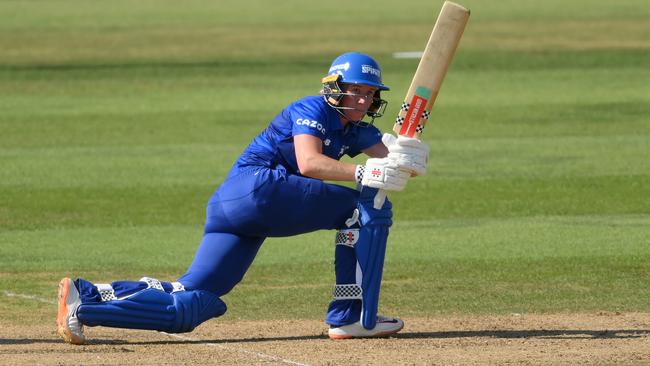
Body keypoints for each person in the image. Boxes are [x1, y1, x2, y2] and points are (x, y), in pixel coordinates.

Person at [56, 52, 429, 344]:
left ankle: (86, 299)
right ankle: (351, 317)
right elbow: (310, 163)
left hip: (236, 208)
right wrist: (365, 171)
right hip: (260, 187)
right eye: (356, 91)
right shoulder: (312, 108)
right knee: (362, 211)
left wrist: (408, 155)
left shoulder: (357, 131)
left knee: (193, 301)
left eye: (368, 94)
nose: (363, 100)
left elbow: (391, 166)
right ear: (335, 87)